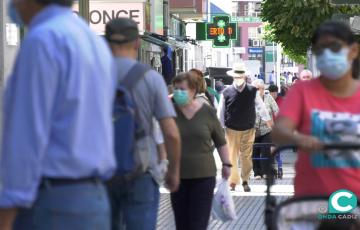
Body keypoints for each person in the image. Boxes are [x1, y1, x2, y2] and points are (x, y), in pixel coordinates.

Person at [0, 0, 117, 229]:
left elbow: (27, 136)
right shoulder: (94, 42)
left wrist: (6, 211)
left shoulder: (42, 40)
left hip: (51, 203)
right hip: (95, 200)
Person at [105, 18, 181, 230]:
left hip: (100, 174)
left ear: (107, 42)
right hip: (142, 171)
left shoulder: (89, 75)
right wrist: (173, 171)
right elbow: (171, 133)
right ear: (137, 43)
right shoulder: (151, 78)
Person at [273, 21, 360, 198]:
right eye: (321, 49)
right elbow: (280, 130)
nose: (327, 54)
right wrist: (298, 138)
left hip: (354, 199)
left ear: (353, 51)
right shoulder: (302, 91)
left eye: (334, 47)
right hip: (311, 200)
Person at [171, 72, 231, 230]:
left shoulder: (207, 112)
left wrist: (227, 164)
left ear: (193, 90)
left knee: (198, 222)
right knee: (181, 223)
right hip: (178, 177)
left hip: (203, 176)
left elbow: (220, 141)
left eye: (182, 89)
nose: (178, 92)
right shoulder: (170, 112)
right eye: (175, 89)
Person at [217, 63, 272, 192]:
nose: (239, 77)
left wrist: (268, 121)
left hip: (248, 127)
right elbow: (221, 111)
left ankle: (245, 180)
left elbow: (261, 107)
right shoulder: (226, 92)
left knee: (246, 156)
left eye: (241, 75)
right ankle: (233, 181)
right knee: (232, 156)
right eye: (237, 75)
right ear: (233, 77)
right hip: (231, 128)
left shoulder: (253, 91)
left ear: (245, 76)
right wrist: (219, 128)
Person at [252, 80, 279, 179]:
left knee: (266, 150)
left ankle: (265, 171)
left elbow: (277, 111)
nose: (260, 90)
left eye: (262, 88)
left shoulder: (269, 98)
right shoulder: (250, 98)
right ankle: (257, 172)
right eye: (258, 88)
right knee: (255, 151)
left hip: (267, 129)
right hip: (253, 130)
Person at [268, 84, 283, 178]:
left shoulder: (282, 100)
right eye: (272, 93)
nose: (274, 95)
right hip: (268, 128)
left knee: (276, 149)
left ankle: (278, 168)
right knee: (269, 149)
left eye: (275, 93)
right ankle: (271, 168)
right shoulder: (267, 100)